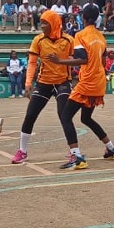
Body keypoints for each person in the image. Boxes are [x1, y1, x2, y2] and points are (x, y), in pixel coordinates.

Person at [44, 4, 114, 170]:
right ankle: (111, 148)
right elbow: (101, 61)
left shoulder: (80, 35)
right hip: (99, 81)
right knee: (85, 118)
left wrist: (60, 61)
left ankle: (77, 156)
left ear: (83, 18)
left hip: (87, 82)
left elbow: (82, 59)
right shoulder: (101, 37)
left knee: (65, 117)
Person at [11, 10, 75, 164]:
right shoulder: (38, 40)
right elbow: (32, 62)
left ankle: (74, 151)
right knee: (30, 114)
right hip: (44, 82)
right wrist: (28, 83)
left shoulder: (68, 40)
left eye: (46, 23)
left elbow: (75, 60)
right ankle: (22, 150)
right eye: (41, 22)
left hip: (63, 82)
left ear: (54, 23)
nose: (42, 25)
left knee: (64, 115)